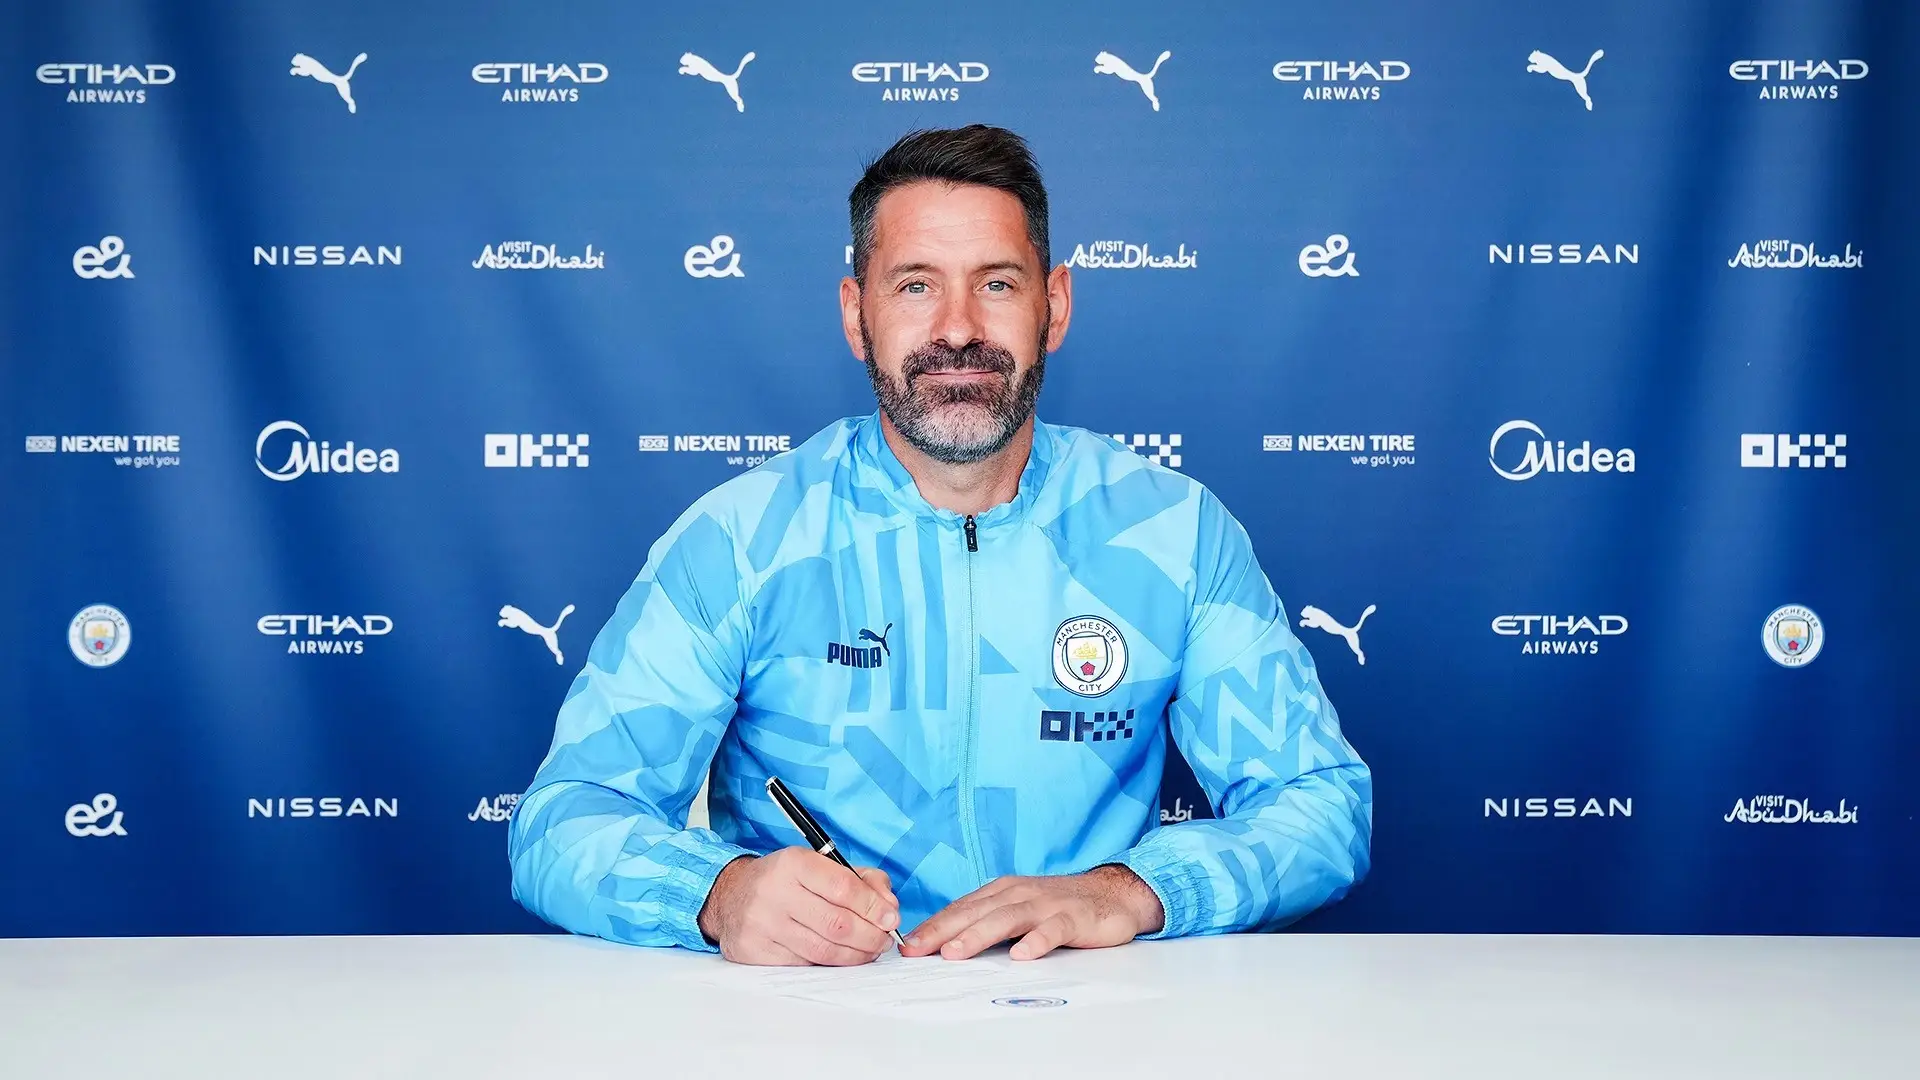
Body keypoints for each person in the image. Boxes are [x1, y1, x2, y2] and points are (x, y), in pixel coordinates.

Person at [508, 124, 1372, 966]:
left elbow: (1322, 805)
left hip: (1093, 1026)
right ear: (857, 314)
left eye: (996, 284)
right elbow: (562, 821)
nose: (958, 329)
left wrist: (1128, 890)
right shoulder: (741, 538)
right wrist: (720, 892)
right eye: (915, 286)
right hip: (808, 1031)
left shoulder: (1173, 530)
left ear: (1055, 305)